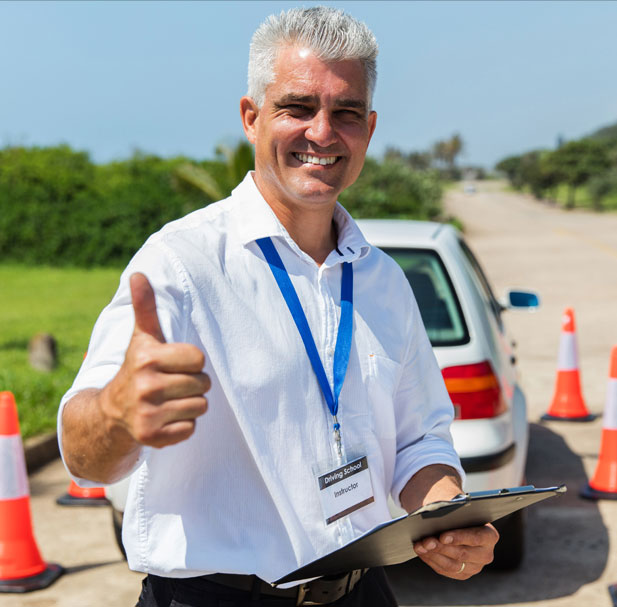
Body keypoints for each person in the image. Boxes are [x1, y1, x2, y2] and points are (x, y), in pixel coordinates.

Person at [58, 6, 498, 606]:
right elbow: (84, 457)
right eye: (298, 107)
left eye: (345, 113)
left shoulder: (383, 280)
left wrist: (447, 512)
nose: (322, 132)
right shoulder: (180, 263)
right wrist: (115, 411)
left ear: (368, 129)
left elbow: (422, 439)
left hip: (364, 590)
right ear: (251, 116)